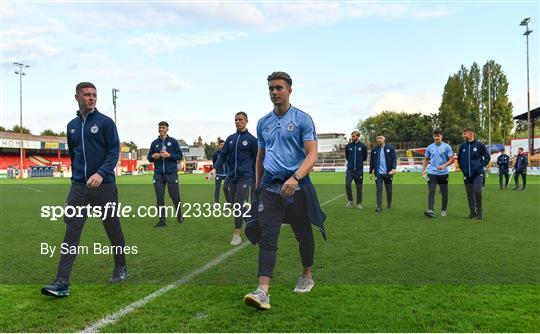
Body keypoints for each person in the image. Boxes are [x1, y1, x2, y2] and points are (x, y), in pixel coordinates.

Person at [243, 71, 325, 310]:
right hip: (270, 188)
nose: (274, 92)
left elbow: (312, 154)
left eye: (279, 88)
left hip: (296, 187)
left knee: (303, 234)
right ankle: (262, 291)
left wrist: (296, 177)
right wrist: (258, 186)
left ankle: (307, 275)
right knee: (267, 237)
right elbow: (260, 157)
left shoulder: (302, 119)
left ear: (289, 90)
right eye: (271, 88)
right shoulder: (263, 123)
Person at [41, 82, 128, 297]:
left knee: (112, 228)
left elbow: (113, 151)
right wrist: (75, 184)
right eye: (87, 94)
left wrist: (100, 173)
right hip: (79, 188)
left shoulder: (106, 123)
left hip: (104, 185)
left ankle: (120, 267)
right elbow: (74, 155)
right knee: (72, 230)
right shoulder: (71, 125)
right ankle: (61, 281)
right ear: (77, 97)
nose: (92, 98)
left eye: (94, 95)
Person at [209, 112, 258, 246]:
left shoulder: (252, 140)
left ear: (246, 121)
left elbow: (257, 159)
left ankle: (236, 235)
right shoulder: (230, 138)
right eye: (236, 119)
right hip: (231, 176)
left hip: (245, 176)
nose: (237, 121)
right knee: (229, 194)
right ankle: (249, 218)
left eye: (240, 119)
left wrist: (255, 176)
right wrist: (214, 168)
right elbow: (223, 156)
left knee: (237, 203)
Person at [147, 121, 184, 227]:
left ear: (167, 129)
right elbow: (149, 158)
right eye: (159, 128)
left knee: (174, 196)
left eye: (163, 127)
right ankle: (162, 221)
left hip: (171, 173)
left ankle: (179, 215)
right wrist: (153, 157)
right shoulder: (154, 143)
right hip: (158, 174)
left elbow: (179, 156)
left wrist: (169, 155)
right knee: (159, 197)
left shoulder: (173, 142)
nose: (161, 129)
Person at [457, 127, 490, 219]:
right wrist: (463, 168)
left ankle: (479, 213)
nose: (463, 135)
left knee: (477, 191)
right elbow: (459, 159)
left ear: (471, 134)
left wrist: (480, 165)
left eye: (465, 133)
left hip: (478, 173)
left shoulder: (480, 145)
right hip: (467, 175)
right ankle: (472, 213)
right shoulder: (462, 147)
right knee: (469, 193)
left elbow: (487, 157)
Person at [421, 128, 454, 218]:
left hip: (443, 173)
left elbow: (452, 159)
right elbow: (426, 160)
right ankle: (431, 210)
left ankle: (443, 209)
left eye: (438, 135)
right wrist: (423, 170)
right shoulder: (429, 147)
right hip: (432, 173)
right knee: (431, 191)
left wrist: (444, 166)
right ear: (433, 137)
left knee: (444, 192)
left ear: (441, 136)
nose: (436, 137)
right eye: (435, 136)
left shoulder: (447, 147)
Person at [369, 134, 397, 212]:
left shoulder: (390, 148)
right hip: (378, 174)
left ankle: (389, 204)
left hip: (388, 173)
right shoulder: (374, 149)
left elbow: (394, 158)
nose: (379, 139)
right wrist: (370, 172)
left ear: (384, 138)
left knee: (389, 190)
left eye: (380, 138)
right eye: (377, 138)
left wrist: (394, 168)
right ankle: (379, 207)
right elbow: (371, 162)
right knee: (379, 189)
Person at [344, 130, 368, 209]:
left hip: (359, 170)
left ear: (358, 136)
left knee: (359, 187)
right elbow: (347, 156)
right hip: (350, 170)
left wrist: (358, 164)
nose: (352, 137)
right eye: (352, 136)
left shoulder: (363, 146)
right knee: (347, 184)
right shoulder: (348, 146)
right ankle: (350, 200)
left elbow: (364, 157)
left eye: (354, 136)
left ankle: (359, 203)